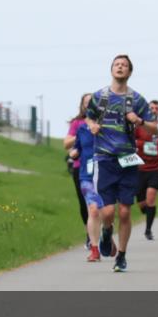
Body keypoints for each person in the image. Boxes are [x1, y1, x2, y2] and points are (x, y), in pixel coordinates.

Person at [85, 55, 157, 273]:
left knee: (125, 212)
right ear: (111, 69)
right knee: (106, 213)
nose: (120, 67)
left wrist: (140, 121)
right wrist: (92, 125)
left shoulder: (136, 99)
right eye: (117, 64)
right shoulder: (99, 96)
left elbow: (156, 128)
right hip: (105, 159)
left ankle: (122, 256)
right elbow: (88, 117)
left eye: (124, 65)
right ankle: (107, 232)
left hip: (127, 161)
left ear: (129, 72)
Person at [71, 96, 105, 262]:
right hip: (87, 176)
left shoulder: (109, 128)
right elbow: (76, 147)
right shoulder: (81, 129)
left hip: (106, 175)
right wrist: (74, 152)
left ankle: (107, 233)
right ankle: (94, 249)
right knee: (93, 210)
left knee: (106, 213)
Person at [64, 93, 93, 249]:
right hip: (80, 168)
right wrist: (82, 135)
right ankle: (90, 235)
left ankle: (102, 231)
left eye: (91, 102)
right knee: (84, 204)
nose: (88, 105)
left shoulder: (103, 121)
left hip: (101, 167)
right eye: (86, 102)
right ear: (82, 105)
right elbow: (66, 143)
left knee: (101, 203)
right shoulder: (77, 123)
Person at [135, 99, 158, 240]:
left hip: (156, 168)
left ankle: (148, 230)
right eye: (151, 107)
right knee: (141, 202)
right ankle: (148, 212)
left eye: (156, 108)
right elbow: (132, 141)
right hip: (140, 168)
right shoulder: (140, 126)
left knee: (151, 196)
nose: (153, 110)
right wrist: (143, 143)